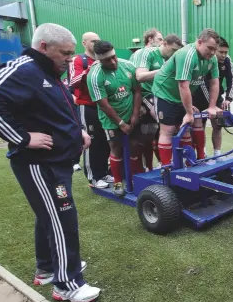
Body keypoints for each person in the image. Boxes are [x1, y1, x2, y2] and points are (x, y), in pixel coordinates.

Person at [0, 23, 101, 302]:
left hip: (58, 161)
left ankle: (47, 269)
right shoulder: (24, 69)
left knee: (48, 216)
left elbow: (57, 108)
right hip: (41, 164)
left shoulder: (48, 71)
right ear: (44, 47)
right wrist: (22, 137)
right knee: (63, 220)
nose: (69, 58)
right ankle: (68, 284)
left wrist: (78, 132)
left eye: (72, 53)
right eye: (65, 53)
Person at [152, 28, 222, 165]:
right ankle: (166, 168)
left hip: (180, 95)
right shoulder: (187, 54)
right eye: (210, 48)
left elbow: (214, 82)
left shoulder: (211, 58)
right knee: (168, 130)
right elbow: (183, 85)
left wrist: (212, 106)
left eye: (215, 49)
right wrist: (189, 112)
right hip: (164, 93)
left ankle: (191, 163)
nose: (213, 52)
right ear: (200, 42)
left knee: (185, 131)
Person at [87, 41, 142, 196]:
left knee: (134, 146)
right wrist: (120, 123)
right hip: (111, 120)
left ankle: (133, 179)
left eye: (114, 57)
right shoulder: (95, 75)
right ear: (99, 60)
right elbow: (103, 104)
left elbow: (137, 91)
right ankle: (118, 182)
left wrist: (135, 114)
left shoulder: (128, 66)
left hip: (131, 115)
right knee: (116, 148)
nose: (112, 62)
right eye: (107, 60)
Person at [133, 34, 183, 170]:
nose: (174, 54)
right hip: (145, 93)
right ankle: (164, 163)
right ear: (165, 44)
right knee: (165, 123)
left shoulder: (170, 58)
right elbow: (140, 76)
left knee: (176, 124)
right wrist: (164, 70)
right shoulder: (146, 52)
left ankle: (166, 161)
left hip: (162, 94)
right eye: (173, 50)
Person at [69, 32, 113, 187]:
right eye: (93, 41)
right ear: (84, 43)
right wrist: (90, 70)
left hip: (104, 106)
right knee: (92, 141)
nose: (96, 43)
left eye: (98, 41)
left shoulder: (104, 60)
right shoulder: (78, 60)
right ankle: (93, 178)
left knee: (105, 140)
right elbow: (73, 81)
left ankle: (104, 173)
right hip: (87, 106)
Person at [193, 36, 233, 158]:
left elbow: (231, 80)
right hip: (198, 97)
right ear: (214, 50)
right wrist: (211, 106)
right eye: (220, 52)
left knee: (217, 126)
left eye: (225, 52)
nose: (223, 55)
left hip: (216, 96)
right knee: (198, 127)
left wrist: (228, 98)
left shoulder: (227, 60)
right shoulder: (205, 60)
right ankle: (202, 153)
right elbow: (202, 83)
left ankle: (217, 153)